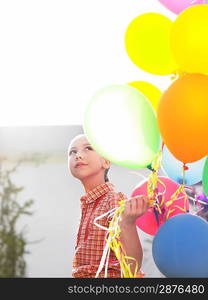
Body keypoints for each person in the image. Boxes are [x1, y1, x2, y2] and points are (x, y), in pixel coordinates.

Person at [68, 133, 149, 278]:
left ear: (105, 161)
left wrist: (128, 223)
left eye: (88, 148)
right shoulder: (87, 205)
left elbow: (133, 265)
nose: (78, 155)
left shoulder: (114, 201)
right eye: (72, 152)